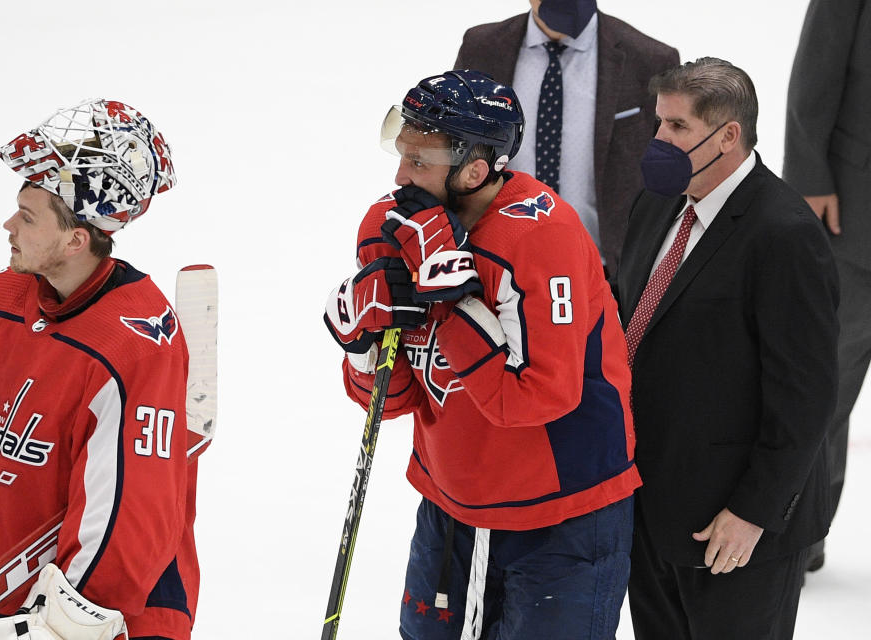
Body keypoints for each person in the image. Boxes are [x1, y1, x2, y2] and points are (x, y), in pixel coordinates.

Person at [324, 70, 640, 639]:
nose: (400, 177)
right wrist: (363, 349)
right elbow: (392, 403)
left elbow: (541, 395)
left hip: (562, 512)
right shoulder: (389, 226)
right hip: (451, 505)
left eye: (420, 162)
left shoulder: (543, 236)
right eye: (402, 155)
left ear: (475, 169)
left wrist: (449, 303)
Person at [0, 99, 199, 640]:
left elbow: (130, 511)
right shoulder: (3, 296)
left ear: (75, 240)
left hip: (88, 617)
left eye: (27, 217)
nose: (7, 225)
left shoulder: (136, 343)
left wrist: (64, 624)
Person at [614, 58, 838, 639]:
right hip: (650, 512)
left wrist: (752, 514)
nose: (659, 141)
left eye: (678, 128)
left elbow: (807, 397)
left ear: (728, 135)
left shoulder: (784, 233)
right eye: (659, 124)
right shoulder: (656, 205)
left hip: (734, 531)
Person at [454, 0, 678, 274]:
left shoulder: (650, 60)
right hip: (495, 267)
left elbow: (670, 174)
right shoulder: (482, 47)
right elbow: (452, 146)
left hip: (607, 273)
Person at [783, 0, 871, 573]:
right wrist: (810, 176)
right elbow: (815, 71)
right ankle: (798, 537)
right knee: (822, 388)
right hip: (852, 219)